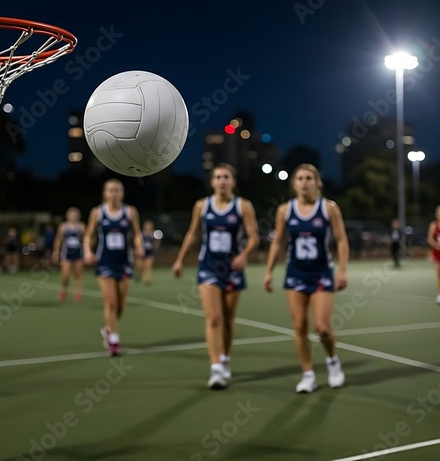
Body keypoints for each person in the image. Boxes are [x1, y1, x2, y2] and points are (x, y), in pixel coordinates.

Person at [172, 163, 259, 390]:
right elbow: (192, 234)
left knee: (228, 320)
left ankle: (225, 358)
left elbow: (253, 237)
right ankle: (216, 369)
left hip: (233, 268)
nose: (222, 180)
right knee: (213, 318)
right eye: (218, 177)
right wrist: (180, 259)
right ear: (212, 182)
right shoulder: (202, 206)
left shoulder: (243, 206)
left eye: (226, 177)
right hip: (208, 267)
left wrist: (244, 255)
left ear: (233, 181)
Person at [263, 164, 349, 393]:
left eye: (309, 178)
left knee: (322, 327)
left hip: (321, 272)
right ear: (294, 184)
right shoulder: (285, 210)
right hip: (295, 273)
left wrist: (342, 270)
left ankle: (333, 362)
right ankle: (308, 374)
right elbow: (278, 242)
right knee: (300, 325)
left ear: (317, 182)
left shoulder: (329, 208)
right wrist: (269, 271)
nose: (304, 182)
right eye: (299, 178)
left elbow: (341, 240)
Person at [83, 179, 144, 356]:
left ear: (122, 193)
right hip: (105, 261)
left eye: (117, 190)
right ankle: (114, 340)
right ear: (105, 193)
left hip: (125, 261)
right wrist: (87, 251)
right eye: (110, 190)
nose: (114, 193)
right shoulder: (98, 212)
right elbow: (89, 236)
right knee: (110, 301)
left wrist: (139, 246)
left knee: (121, 304)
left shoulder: (130, 212)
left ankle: (108, 327)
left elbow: (137, 233)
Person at [52, 207, 86, 303]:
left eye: (75, 214)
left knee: (78, 275)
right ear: (68, 216)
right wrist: (56, 251)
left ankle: (78, 294)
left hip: (78, 253)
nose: (73, 216)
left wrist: (87, 252)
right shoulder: (63, 226)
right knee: (65, 275)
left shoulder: (82, 226)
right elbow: (58, 239)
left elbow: (86, 240)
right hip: (66, 254)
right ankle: (63, 291)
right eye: (71, 214)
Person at [135, 219, 160, 286]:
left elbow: (157, 242)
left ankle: (147, 280)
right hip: (142, 252)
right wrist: (138, 249)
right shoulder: (141, 234)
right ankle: (138, 275)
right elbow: (137, 242)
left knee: (148, 266)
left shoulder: (153, 234)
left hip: (150, 252)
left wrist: (155, 245)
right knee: (139, 266)